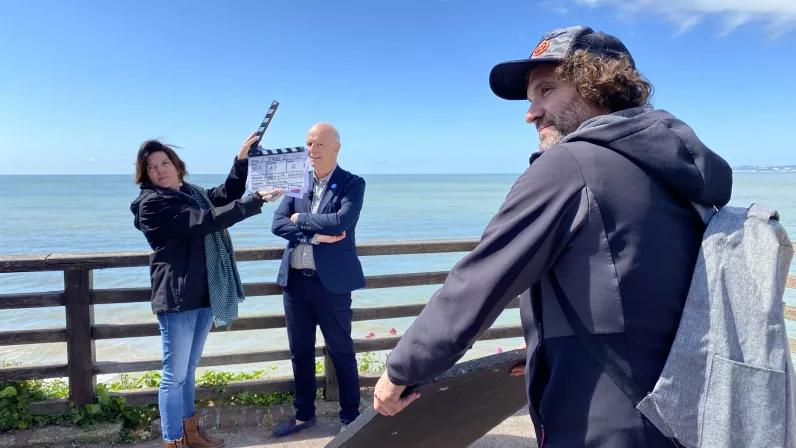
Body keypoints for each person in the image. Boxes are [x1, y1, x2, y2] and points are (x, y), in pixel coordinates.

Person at [372, 25, 733, 447]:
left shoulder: (569, 166)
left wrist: (402, 369)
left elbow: (478, 282)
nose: (531, 113)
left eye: (546, 91)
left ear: (599, 85)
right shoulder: (671, 175)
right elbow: (638, 294)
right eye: (530, 99)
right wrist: (551, 349)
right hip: (679, 412)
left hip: (598, 425)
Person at [130, 134, 283, 448]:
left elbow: (225, 195)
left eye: (164, 163)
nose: (160, 170)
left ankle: (190, 432)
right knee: (174, 376)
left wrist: (242, 160)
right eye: (152, 167)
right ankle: (173, 440)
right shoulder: (152, 204)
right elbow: (204, 221)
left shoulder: (192, 193)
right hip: (177, 297)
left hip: (203, 294)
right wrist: (255, 200)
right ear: (146, 175)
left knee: (188, 370)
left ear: (177, 166)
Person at [270, 123, 367, 436]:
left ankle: (350, 418)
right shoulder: (298, 182)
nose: (311, 150)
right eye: (309, 143)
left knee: (341, 351)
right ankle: (303, 416)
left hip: (332, 285)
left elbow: (341, 221)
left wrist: (301, 219)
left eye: (319, 144)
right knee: (300, 352)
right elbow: (277, 223)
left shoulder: (352, 183)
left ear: (336, 147)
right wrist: (313, 236)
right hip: (296, 283)